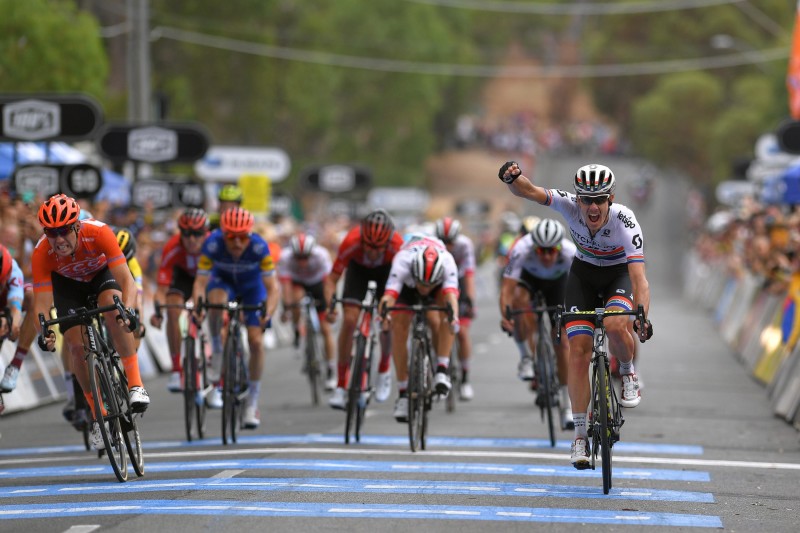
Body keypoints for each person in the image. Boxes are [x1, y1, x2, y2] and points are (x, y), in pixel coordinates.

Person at [498, 161, 653, 470]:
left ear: (610, 198)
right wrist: (511, 178)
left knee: (614, 324)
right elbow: (528, 191)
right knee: (578, 352)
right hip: (582, 276)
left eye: (599, 200)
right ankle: (580, 436)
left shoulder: (625, 220)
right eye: (586, 199)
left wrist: (642, 317)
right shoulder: (569, 206)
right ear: (578, 198)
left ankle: (627, 371)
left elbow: (639, 278)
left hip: (617, 276)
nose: (592, 207)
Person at [32, 194, 148, 451]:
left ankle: (136, 384)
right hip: (68, 287)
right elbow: (41, 302)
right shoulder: (42, 251)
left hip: (101, 276)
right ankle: (99, 417)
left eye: (64, 231)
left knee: (115, 311)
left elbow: (126, 280)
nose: (59, 239)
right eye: (52, 233)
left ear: (76, 226)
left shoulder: (99, 233)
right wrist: (45, 331)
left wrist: (127, 310)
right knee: (76, 346)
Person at [191, 206, 279, 429]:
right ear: (223, 234)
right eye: (231, 238)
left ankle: (252, 402)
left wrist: (268, 312)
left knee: (256, 341)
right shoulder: (212, 244)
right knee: (216, 302)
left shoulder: (259, 246)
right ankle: (218, 351)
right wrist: (198, 305)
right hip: (224, 283)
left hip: (252, 287)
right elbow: (200, 283)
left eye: (242, 237)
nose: (238, 243)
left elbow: (273, 288)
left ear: (250, 234)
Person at [498, 218, 576, 430]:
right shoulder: (521, 250)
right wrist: (506, 315)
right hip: (528, 280)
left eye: (552, 251)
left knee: (562, 341)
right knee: (519, 304)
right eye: (542, 251)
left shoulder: (570, 252)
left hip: (558, 285)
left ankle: (566, 402)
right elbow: (506, 289)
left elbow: (580, 289)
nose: (548, 256)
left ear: (560, 247)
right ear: (534, 248)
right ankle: (525, 356)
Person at [325, 209, 405, 410]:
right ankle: (341, 384)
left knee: (387, 321)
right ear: (362, 240)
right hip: (357, 272)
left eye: (378, 247)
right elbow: (332, 279)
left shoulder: (397, 246)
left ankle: (384, 369)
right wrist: (331, 305)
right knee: (350, 321)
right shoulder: (351, 242)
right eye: (369, 246)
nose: (373, 251)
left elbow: (402, 281)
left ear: (387, 242)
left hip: (387, 272)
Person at [379, 237, 460, 422]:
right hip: (408, 287)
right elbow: (389, 296)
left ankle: (441, 369)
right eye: (422, 283)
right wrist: (382, 315)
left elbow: (451, 300)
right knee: (398, 325)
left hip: (438, 289)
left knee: (442, 317)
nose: (424, 289)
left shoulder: (447, 263)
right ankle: (403, 393)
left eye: (428, 284)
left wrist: (453, 319)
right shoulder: (402, 261)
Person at [149, 208, 209, 392]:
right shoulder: (172, 247)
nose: (191, 239)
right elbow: (161, 290)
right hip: (183, 278)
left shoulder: (213, 244)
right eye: (187, 233)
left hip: (209, 277)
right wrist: (158, 310)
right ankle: (176, 369)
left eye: (197, 234)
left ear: (205, 232)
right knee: (173, 308)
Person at [278, 232, 336, 391]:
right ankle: (297, 328)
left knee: (326, 329)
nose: (302, 262)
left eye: (306, 257)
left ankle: (331, 369)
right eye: (299, 258)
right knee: (295, 301)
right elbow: (286, 287)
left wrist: (331, 307)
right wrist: (287, 308)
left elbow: (329, 284)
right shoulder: (285, 257)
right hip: (298, 283)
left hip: (318, 283)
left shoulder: (321, 255)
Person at [435, 216, 477, 401]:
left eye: (450, 242)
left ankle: (465, 378)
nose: (447, 246)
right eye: (443, 242)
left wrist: (470, 301)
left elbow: (469, 274)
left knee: (461, 332)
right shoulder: (433, 244)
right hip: (437, 280)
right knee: (435, 325)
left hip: (457, 282)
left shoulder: (465, 245)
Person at [0, 244, 27, 395]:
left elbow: (16, 306)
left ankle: (16, 363)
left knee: (31, 296)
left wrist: (12, 323)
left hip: (6, 302)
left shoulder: (13, 269)